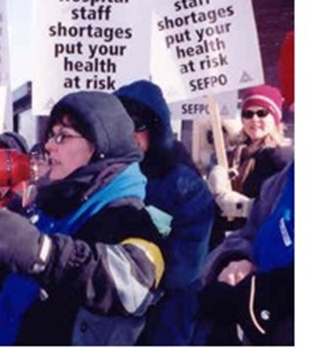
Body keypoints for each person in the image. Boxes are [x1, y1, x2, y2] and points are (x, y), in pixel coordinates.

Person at [0, 91, 165, 346]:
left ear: (99, 146)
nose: (48, 145)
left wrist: (43, 253)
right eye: (51, 135)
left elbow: (134, 286)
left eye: (63, 136)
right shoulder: (52, 206)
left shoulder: (128, 215)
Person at [114, 80, 216, 345]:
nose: (130, 134)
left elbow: (186, 267)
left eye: (138, 125)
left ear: (157, 129)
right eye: (121, 125)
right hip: (110, 308)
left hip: (167, 313)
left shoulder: (185, 186)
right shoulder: (105, 177)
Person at [198, 161, 294, 345]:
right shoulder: (286, 177)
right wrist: (235, 259)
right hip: (252, 317)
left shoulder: (276, 158)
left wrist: (272, 289)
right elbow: (252, 229)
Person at [208, 84, 293, 247]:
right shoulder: (230, 155)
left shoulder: (283, 156)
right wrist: (214, 190)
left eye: (262, 113)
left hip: (261, 245)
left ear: (275, 118)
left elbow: (287, 204)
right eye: (248, 114)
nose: (254, 119)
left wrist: (244, 207)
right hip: (227, 242)